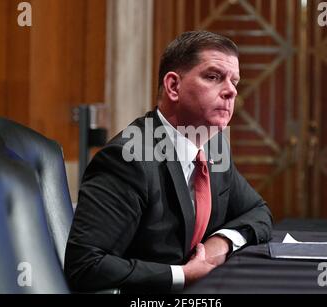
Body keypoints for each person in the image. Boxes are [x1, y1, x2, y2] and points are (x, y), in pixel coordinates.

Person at [64, 30, 273, 293]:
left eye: (234, 81)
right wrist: (182, 275)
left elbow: (258, 212)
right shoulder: (129, 158)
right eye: (213, 77)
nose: (231, 91)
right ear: (173, 86)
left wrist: (220, 243)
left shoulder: (214, 147)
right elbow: (84, 266)